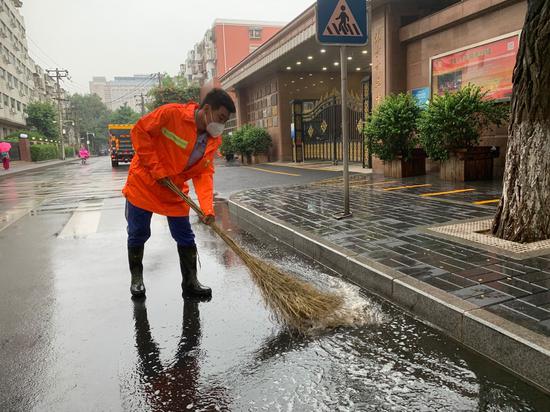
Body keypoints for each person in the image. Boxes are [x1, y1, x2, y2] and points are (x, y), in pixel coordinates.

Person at [122, 88, 235, 299]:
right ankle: (137, 279)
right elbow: (139, 131)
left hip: (173, 189)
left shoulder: (212, 140)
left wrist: (207, 209)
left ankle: (190, 282)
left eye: (225, 121)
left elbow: (203, 174)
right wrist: (157, 170)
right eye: (221, 118)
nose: (221, 125)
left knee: (184, 234)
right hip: (144, 183)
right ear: (207, 109)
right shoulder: (171, 114)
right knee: (138, 232)